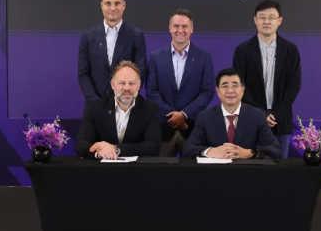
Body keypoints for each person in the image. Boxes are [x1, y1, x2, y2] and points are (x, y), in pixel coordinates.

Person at [232, 0, 301, 158]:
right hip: (251, 119)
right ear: (255, 20)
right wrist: (261, 114)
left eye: (271, 17)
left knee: (279, 168)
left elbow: (294, 86)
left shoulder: (290, 50)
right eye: (262, 17)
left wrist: (276, 114)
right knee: (249, 167)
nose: (266, 21)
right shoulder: (243, 50)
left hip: (280, 120)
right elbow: (239, 86)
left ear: (279, 21)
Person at [147, 8, 214, 156]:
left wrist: (184, 114)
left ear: (192, 29)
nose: (180, 30)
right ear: (169, 28)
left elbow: (207, 92)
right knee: (160, 169)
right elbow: (151, 91)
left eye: (185, 26)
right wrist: (172, 116)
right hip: (163, 128)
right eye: (176, 26)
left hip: (192, 128)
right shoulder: (155, 57)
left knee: (193, 170)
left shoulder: (204, 57)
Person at [183, 68, 281, 160]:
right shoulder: (205, 117)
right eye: (225, 86)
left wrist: (250, 153)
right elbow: (188, 149)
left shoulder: (257, 116)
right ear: (218, 91)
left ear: (242, 89)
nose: (230, 91)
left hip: (247, 171)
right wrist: (209, 151)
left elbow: (275, 150)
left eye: (235, 85)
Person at [76, 61, 160, 159]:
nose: (127, 88)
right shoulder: (95, 108)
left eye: (131, 83)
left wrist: (116, 149)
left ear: (139, 85)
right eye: (122, 83)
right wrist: (100, 150)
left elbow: (153, 147)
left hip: (136, 167)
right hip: (102, 167)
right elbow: (81, 145)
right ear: (113, 85)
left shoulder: (150, 109)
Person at [78, 0, 147, 101]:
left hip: (126, 104)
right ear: (102, 6)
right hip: (95, 105)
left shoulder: (136, 36)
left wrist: (125, 99)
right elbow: (83, 74)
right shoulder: (88, 36)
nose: (113, 8)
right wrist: (95, 102)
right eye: (108, 3)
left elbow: (140, 72)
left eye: (117, 3)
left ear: (124, 6)